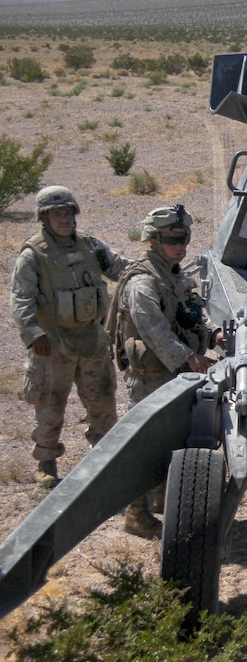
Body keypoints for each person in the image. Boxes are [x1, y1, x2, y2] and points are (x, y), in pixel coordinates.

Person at [109, 204, 220, 537]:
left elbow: (191, 312)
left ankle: (162, 498)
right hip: (151, 377)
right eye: (172, 239)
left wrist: (213, 333)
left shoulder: (172, 274)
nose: (180, 245)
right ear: (154, 240)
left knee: (174, 440)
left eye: (184, 238)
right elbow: (154, 331)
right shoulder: (142, 282)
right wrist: (190, 358)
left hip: (172, 373)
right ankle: (136, 515)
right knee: (144, 446)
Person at [11, 186, 132, 488]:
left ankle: (103, 459)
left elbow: (121, 269)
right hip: (52, 344)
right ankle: (47, 462)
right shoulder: (33, 255)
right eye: (56, 214)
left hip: (92, 340)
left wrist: (151, 270)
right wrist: (33, 333)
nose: (63, 219)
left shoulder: (91, 246)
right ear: (44, 218)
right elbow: (21, 299)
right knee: (51, 407)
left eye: (67, 212)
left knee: (102, 403)